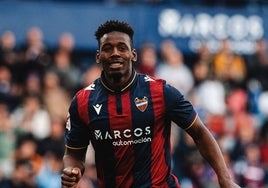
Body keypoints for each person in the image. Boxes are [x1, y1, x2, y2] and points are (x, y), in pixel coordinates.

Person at [61, 19, 240, 188]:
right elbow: (73, 154)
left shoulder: (161, 92)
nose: (115, 53)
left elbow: (200, 132)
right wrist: (72, 169)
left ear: (133, 54)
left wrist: (225, 179)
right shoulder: (83, 102)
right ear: (98, 56)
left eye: (122, 47)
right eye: (108, 48)